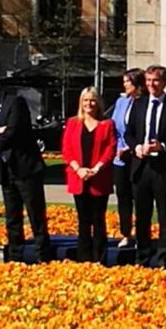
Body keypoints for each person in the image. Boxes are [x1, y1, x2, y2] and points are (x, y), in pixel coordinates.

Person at [0, 78, 52, 263]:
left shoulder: (15, 103)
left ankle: (44, 257)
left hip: (26, 168)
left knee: (36, 215)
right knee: (12, 216)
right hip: (6, 170)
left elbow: (15, 131)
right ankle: (15, 257)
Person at [123, 65, 166, 268]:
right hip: (141, 166)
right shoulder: (138, 103)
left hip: (163, 168)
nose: (152, 84)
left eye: (156, 80)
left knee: (163, 214)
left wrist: (163, 146)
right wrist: (136, 148)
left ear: (164, 82)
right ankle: (142, 257)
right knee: (142, 215)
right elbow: (129, 132)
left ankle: (164, 258)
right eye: (149, 80)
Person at [61, 87, 116, 264]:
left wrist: (97, 168)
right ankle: (84, 258)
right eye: (85, 100)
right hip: (78, 177)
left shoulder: (107, 124)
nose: (89, 104)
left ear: (98, 102)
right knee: (83, 221)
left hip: (99, 178)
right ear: (81, 102)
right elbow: (67, 149)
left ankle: (100, 259)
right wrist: (79, 169)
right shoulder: (73, 123)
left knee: (98, 220)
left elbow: (110, 148)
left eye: (92, 100)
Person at [109, 68, 145, 248]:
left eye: (127, 82)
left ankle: (141, 234)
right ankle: (125, 233)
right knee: (123, 196)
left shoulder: (144, 102)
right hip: (119, 158)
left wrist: (129, 148)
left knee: (139, 197)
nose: (124, 85)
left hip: (136, 155)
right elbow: (114, 127)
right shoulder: (121, 102)